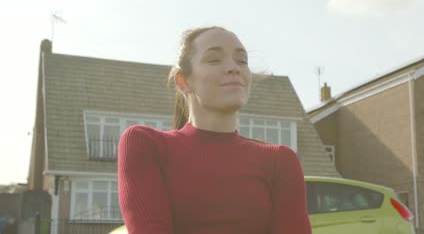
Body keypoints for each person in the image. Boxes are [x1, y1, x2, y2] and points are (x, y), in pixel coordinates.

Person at [118, 26, 312, 234]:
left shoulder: (281, 161)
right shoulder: (145, 144)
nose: (233, 67)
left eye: (242, 61)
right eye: (214, 59)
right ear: (184, 81)